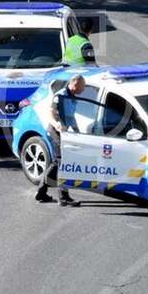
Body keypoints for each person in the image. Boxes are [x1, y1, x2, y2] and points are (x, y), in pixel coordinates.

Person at [35, 74, 85, 207]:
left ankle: (41, 192)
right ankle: (63, 197)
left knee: (57, 163)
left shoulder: (73, 97)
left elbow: (70, 117)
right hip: (55, 131)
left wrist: (78, 131)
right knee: (63, 162)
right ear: (74, 85)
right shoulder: (60, 95)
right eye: (82, 86)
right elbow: (51, 111)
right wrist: (56, 124)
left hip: (65, 133)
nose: (84, 89)